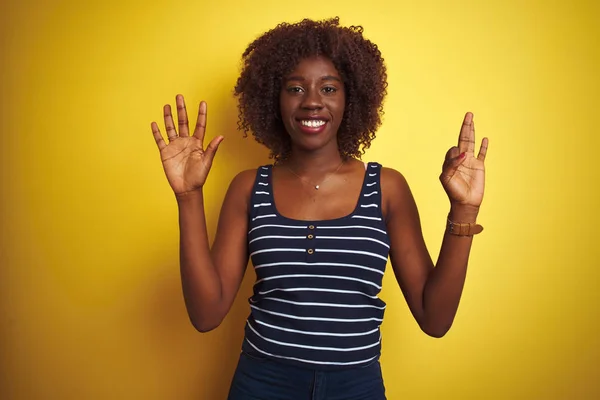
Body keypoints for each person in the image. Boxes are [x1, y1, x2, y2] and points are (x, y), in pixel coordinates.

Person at [150, 17, 488, 400]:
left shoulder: (386, 188)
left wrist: (464, 210)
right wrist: (188, 196)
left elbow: (435, 318)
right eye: (295, 88)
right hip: (262, 385)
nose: (312, 100)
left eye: (329, 88)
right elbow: (206, 314)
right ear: (273, 99)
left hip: (356, 387)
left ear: (351, 98)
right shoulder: (249, 187)